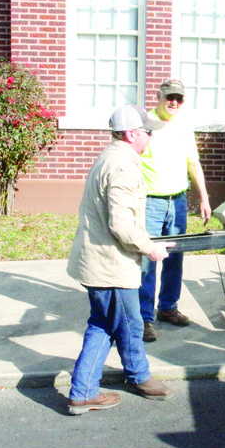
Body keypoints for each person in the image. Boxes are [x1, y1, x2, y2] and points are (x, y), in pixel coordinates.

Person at [66, 105, 176, 415]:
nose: (150, 138)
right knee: (129, 325)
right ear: (131, 134)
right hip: (110, 265)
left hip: (98, 261)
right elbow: (121, 225)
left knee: (103, 324)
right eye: (147, 132)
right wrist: (150, 248)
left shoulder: (111, 156)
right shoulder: (124, 166)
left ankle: (86, 390)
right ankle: (135, 377)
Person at [138, 79, 212, 342]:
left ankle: (167, 308)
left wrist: (203, 197)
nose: (173, 102)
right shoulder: (145, 123)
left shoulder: (183, 126)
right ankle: (144, 317)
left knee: (174, 257)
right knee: (148, 259)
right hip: (150, 202)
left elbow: (193, 163)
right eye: (169, 97)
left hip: (178, 202)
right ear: (159, 96)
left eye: (179, 99)